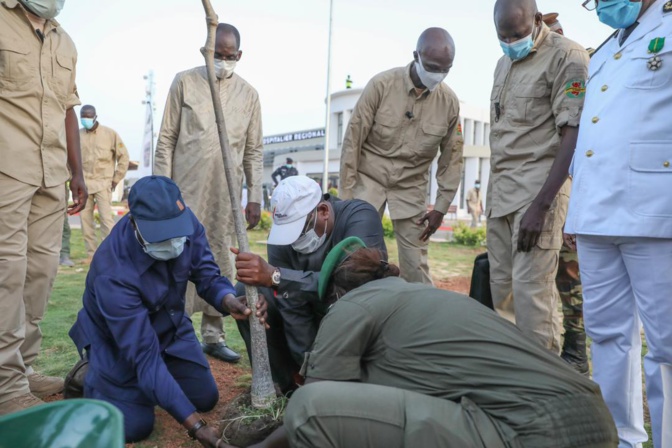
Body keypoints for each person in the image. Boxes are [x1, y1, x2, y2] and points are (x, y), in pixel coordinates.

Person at [235, 241, 618, 448]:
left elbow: (317, 407)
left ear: (337, 292)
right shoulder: (429, 300)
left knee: (309, 407)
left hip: (531, 433)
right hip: (595, 422)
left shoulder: (354, 305)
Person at [68, 176, 267, 445]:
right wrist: (197, 428)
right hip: (118, 340)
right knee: (134, 426)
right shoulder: (113, 271)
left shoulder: (185, 222)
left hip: (170, 325)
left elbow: (206, 274)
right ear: (134, 223)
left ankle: (150, 384)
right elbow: (143, 355)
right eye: (162, 236)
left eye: (176, 232)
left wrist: (228, 300)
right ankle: (94, 372)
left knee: (204, 398)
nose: (174, 242)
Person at [565, 1, 672, 446]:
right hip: (596, 210)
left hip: (655, 209)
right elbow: (595, 126)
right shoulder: (606, 48)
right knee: (607, 335)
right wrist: (578, 201)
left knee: (667, 347)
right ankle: (623, 439)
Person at [155, 23, 263, 364]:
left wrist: (255, 195)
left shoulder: (249, 95)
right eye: (218, 55)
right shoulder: (185, 82)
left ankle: (214, 336)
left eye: (230, 57)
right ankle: (178, 331)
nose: (224, 61)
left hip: (226, 196)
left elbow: (254, 151)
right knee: (179, 258)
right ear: (206, 50)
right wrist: (161, 191)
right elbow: (166, 140)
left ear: (240, 56)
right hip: (183, 192)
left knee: (220, 258)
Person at [0, 0, 88, 415]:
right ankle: (5, 385)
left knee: (40, 273)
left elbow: (68, 108)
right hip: (7, 168)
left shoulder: (65, 41)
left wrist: (78, 171)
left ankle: (24, 366)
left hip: (52, 174)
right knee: (7, 273)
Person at [487, 0, 589, 353]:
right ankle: (514, 382)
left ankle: (545, 390)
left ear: (536, 19)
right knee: (503, 297)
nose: (510, 41)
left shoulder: (568, 56)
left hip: (537, 196)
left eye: (517, 34)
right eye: (503, 35)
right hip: (500, 195)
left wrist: (542, 206)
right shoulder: (503, 64)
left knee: (534, 304)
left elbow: (573, 135)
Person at [232, 175, 386, 393]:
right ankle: (286, 385)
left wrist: (278, 277)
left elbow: (356, 285)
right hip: (311, 315)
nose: (294, 241)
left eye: (300, 231)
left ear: (323, 211)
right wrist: (308, 367)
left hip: (354, 316)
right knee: (248, 293)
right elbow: (292, 307)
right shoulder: (283, 241)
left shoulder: (359, 216)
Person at [339, 27, 464, 285]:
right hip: (369, 180)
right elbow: (353, 141)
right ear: (416, 55)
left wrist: (441, 207)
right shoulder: (382, 86)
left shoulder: (449, 103)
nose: (437, 75)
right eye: (431, 67)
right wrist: (347, 198)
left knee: (415, 266)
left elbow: (452, 159)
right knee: (357, 258)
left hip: (410, 188)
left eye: (445, 69)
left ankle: (418, 320)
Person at [540, 11, 589, 376]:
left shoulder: (583, 68)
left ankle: (576, 351)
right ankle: (565, 349)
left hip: (577, 193)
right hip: (553, 191)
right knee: (553, 276)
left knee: (570, 278)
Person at [79, 105, 129, 261]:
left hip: (103, 183)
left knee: (106, 221)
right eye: (83, 116)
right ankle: (91, 255)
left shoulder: (110, 134)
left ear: (95, 116)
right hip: (84, 184)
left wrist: (116, 179)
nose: (85, 119)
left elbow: (124, 157)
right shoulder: (77, 135)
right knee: (85, 222)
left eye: (88, 116)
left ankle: (111, 253)